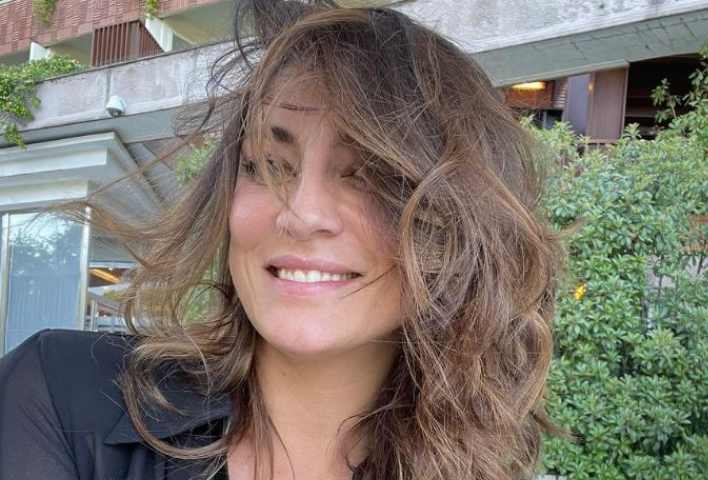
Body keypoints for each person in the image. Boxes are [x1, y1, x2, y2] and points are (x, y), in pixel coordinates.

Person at [0, 1, 571, 479]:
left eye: (371, 175)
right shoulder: (55, 397)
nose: (301, 214)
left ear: (460, 230)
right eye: (268, 164)